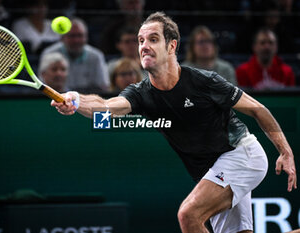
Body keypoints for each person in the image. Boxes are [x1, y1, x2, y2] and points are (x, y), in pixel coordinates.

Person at [51, 12, 297, 233]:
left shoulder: (203, 81)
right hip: (213, 171)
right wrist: (75, 99)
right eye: (140, 41)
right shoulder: (140, 93)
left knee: (188, 215)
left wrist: (285, 152)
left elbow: (257, 109)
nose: (144, 46)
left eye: (153, 39)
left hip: (242, 156)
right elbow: (105, 109)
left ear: (171, 46)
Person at [41, 17, 109, 94]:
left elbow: (103, 87)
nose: (76, 40)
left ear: (86, 37)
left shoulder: (96, 56)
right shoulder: (49, 53)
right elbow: (43, 85)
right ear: (62, 38)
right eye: (72, 36)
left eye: (80, 35)